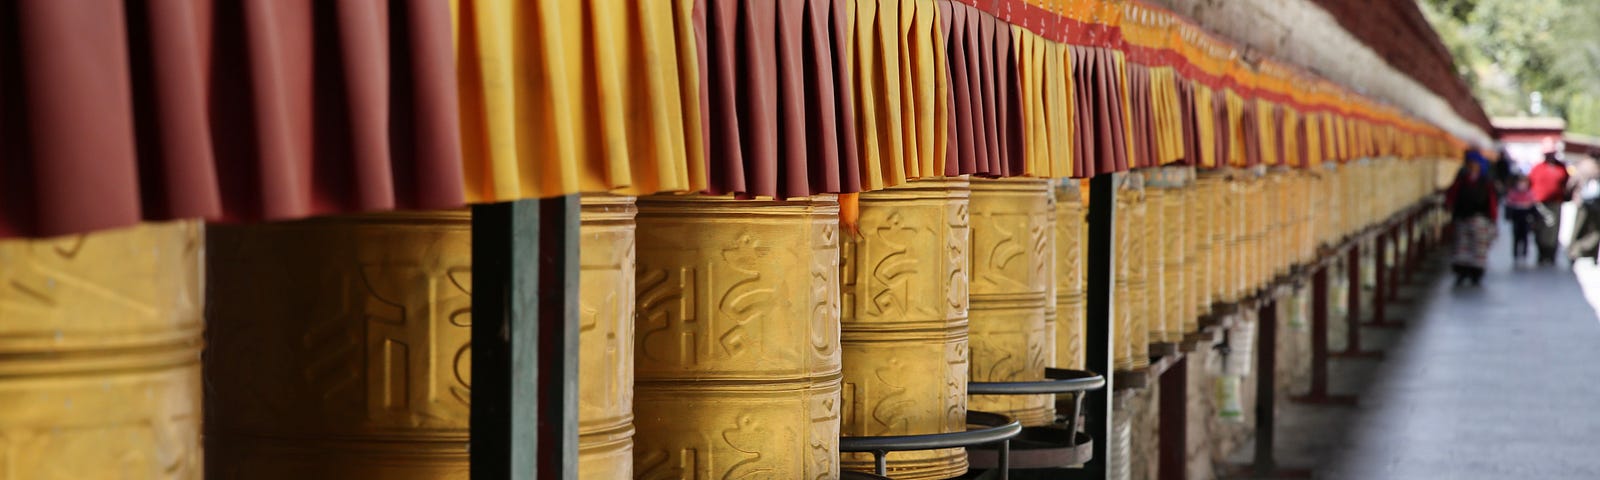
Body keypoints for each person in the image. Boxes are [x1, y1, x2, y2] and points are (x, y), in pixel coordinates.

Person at [1446, 155, 1498, 285]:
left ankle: (1476, 272)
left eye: (1475, 164)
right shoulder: (1462, 180)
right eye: (1471, 164)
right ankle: (1461, 271)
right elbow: (1452, 195)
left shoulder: (1486, 181)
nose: (1473, 167)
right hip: (1462, 217)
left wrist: (1492, 218)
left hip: (1480, 217)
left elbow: (1491, 201)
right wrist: (1450, 207)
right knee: (1461, 247)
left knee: (1478, 247)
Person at [1527, 151, 1572, 264]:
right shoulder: (1538, 168)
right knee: (1540, 228)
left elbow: (1567, 182)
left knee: (1553, 229)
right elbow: (1530, 182)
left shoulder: (1561, 167)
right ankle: (1541, 253)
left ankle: (1551, 254)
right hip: (1540, 202)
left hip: (1555, 202)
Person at [1504, 175, 1537, 261]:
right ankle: (1515, 253)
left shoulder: (1529, 193)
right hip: (1516, 216)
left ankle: (1524, 253)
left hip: (1525, 217)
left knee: (1525, 236)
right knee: (1516, 235)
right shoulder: (1513, 192)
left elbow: (1533, 205)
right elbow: (1508, 204)